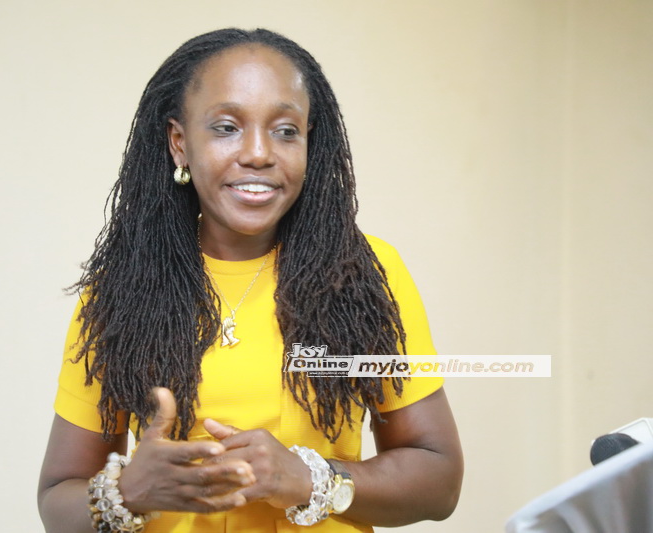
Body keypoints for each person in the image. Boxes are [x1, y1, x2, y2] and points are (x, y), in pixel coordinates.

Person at [38, 28, 463, 533]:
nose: (259, 153)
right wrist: (127, 493)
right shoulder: (121, 288)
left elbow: (439, 479)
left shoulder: (364, 271)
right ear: (180, 143)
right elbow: (57, 499)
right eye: (226, 127)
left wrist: (310, 479)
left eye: (286, 131)